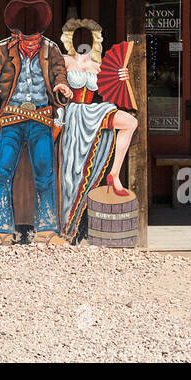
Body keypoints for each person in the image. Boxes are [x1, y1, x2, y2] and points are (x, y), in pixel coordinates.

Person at [0, 0, 71, 247]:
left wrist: (62, 87)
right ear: (16, 27)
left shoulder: (51, 49)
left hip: (41, 117)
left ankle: (48, 230)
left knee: (45, 173)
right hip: (10, 118)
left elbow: (59, 74)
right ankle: (1, 230)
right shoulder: (0, 49)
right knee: (1, 172)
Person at [55, 18, 139, 243]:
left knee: (130, 122)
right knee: (71, 171)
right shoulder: (62, 61)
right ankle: (67, 223)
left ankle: (114, 173)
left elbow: (111, 89)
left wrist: (123, 78)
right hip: (71, 113)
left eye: (88, 37)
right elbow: (50, 82)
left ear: (95, 40)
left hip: (94, 111)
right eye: (78, 36)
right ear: (70, 39)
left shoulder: (99, 66)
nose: (83, 42)